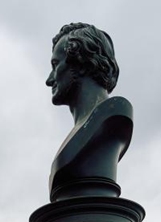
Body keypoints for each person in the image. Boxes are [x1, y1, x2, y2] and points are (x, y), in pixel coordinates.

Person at [46, 23, 133, 201]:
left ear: (81, 64)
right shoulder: (83, 128)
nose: (49, 80)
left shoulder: (113, 116)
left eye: (56, 65)